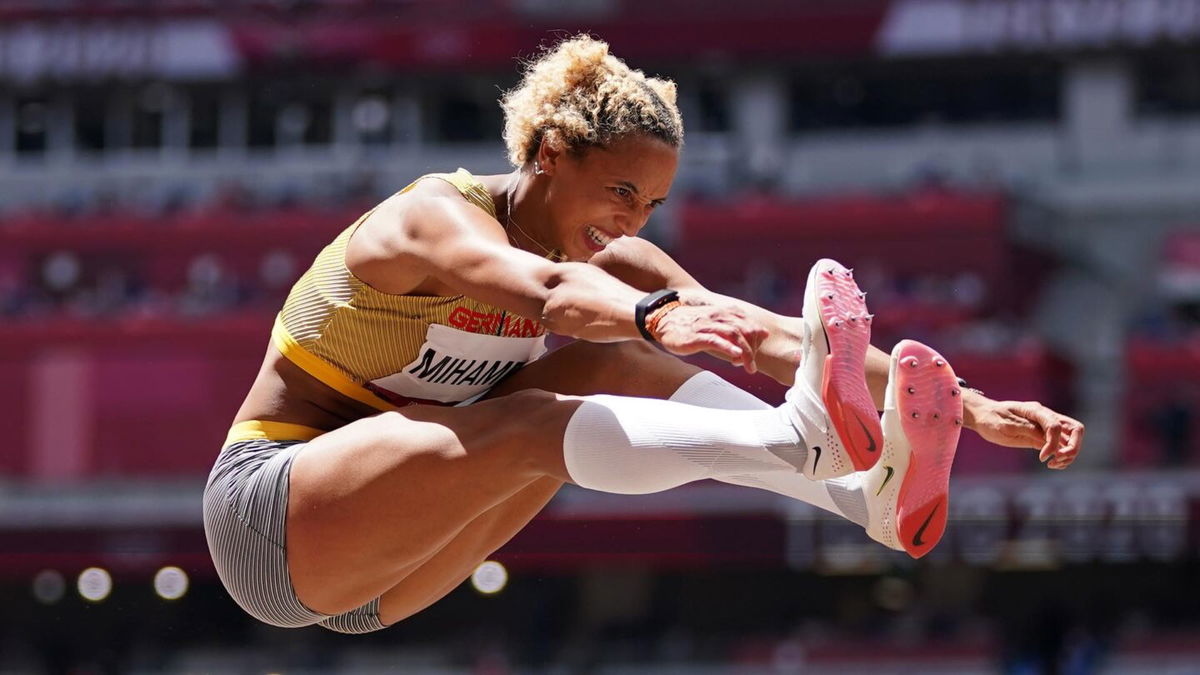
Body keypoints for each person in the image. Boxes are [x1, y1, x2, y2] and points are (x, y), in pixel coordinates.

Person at [202, 35, 1084, 635]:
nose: (630, 222)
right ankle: (804, 442)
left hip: (391, 566)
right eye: (620, 193)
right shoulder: (428, 221)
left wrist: (966, 405)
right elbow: (545, 288)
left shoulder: (614, 253)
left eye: (652, 204)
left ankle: (866, 504)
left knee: (620, 364)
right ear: (549, 153)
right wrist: (654, 311)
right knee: (543, 411)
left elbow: (769, 336)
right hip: (273, 521)